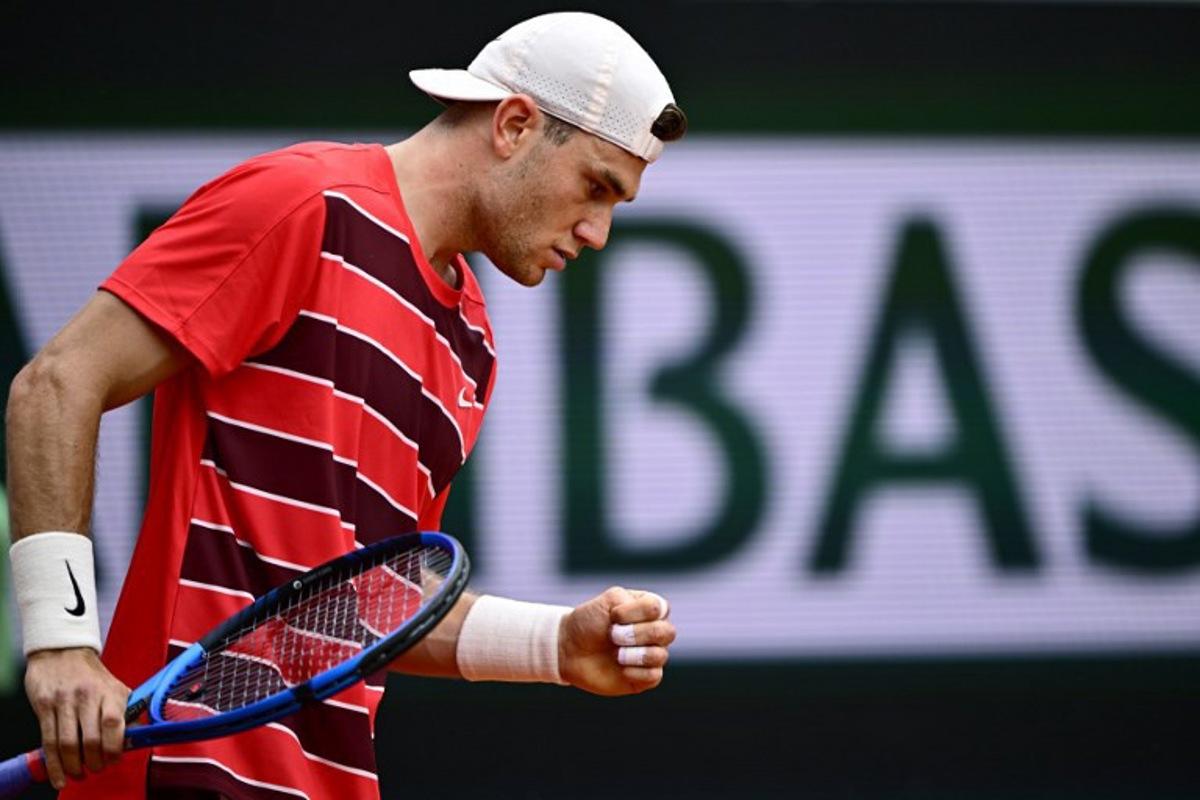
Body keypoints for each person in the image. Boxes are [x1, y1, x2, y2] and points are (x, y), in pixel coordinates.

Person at [5, 11, 687, 800]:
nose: (598, 231)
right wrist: (59, 642)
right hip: (183, 775)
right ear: (514, 125)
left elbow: (369, 609)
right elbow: (57, 384)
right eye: (596, 187)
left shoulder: (471, 348)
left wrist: (555, 646)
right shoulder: (304, 203)